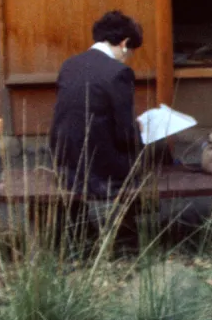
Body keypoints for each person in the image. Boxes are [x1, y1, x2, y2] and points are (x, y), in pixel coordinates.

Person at [49, 10, 148, 198]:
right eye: (131, 51)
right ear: (124, 43)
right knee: (156, 151)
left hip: (65, 165)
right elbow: (125, 134)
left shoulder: (69, 65)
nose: (128, 58)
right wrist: (139, 129)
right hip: (100, 169)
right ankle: (132, 218)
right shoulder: (118, 72)